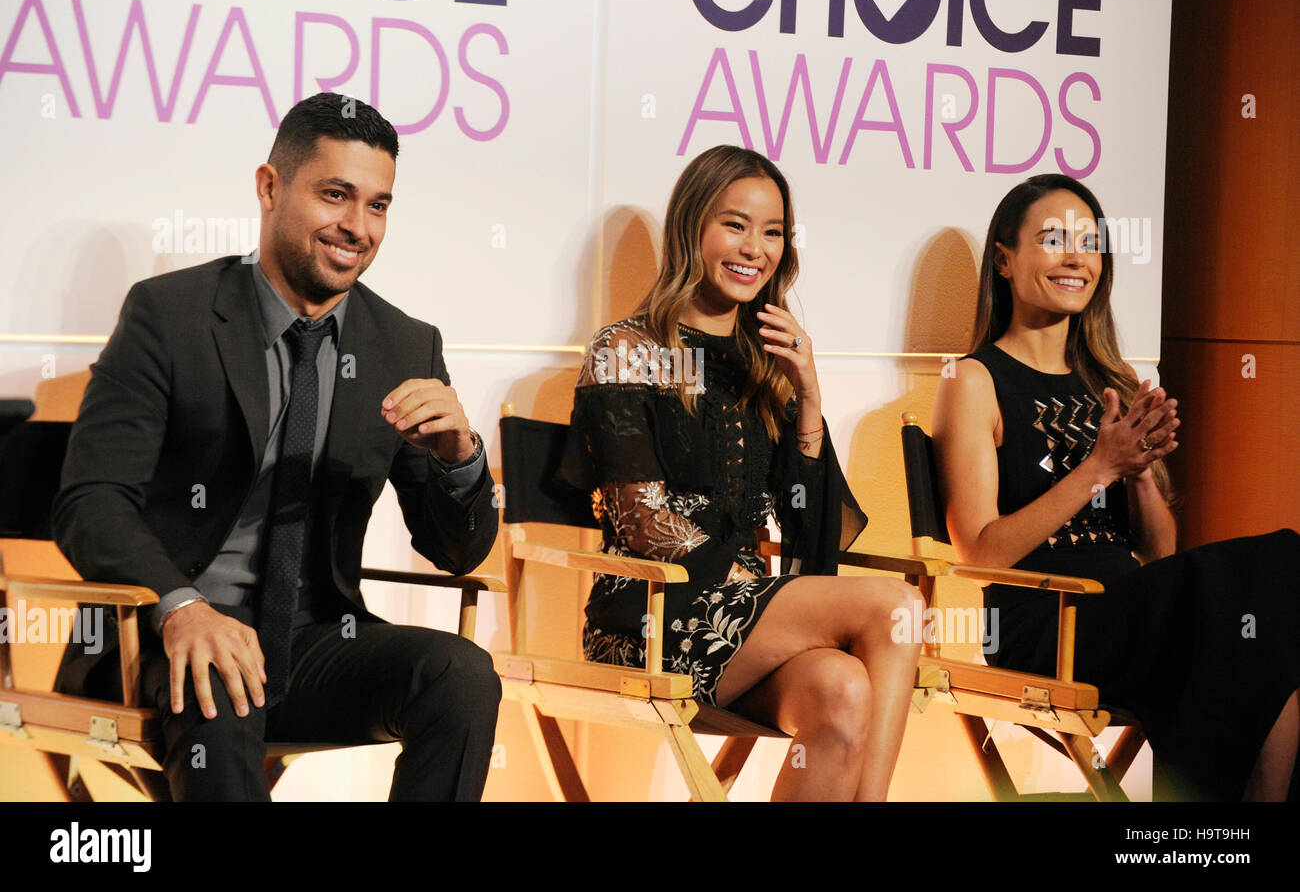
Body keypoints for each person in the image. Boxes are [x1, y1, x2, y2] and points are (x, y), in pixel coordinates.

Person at [52, 92, 502, 801]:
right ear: (270, 187)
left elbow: (457, 551)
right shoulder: (169, 315)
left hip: (315, 639)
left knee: (461, 674)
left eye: (378, 205)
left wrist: (459, 457)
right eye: (335, 195)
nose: (357, 226)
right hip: (161, 635)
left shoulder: (405, 344)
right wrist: (182, 606)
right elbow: (91, 501)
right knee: (219, 681)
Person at [556, 145, 922, 801]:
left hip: (745, 620)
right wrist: (740, 576)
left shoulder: (766, 366)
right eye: (736, 224)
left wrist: (808, 400)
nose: (756, 247)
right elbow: (639, 518)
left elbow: (814, 558)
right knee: (897, 605)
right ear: (691, 227)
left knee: (842, 691)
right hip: (644, 616)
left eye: (774, 231)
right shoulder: (626, 350)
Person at [932, 172, 1300, 801]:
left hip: (1136, 604)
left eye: (1090, 242)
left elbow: (1159, 551)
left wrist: (1141, 468)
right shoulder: (972, 380)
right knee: (1262, 585)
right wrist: (1099, 467)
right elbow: (982, 554)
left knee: (1273, 601)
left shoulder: (1112, 375)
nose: (1077, 257)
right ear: (1004, 258)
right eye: (1054, 239)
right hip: (1045, 622)